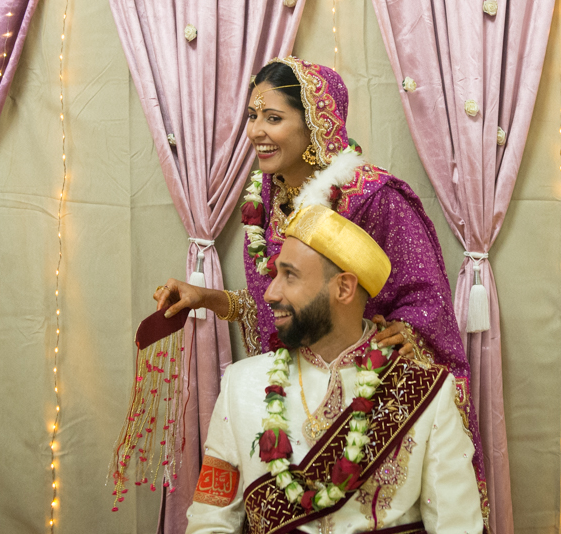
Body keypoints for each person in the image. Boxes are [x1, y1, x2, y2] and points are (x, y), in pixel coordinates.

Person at [155, 56, 489, 528]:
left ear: (316, 122)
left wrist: (407, 334)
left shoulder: (375, 198)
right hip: (289, 382)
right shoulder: (266, 199)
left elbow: (427, 300)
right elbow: (282, 303)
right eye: (252, 116)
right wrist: (208, 299)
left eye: (273, 118)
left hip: (373, 387)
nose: (255, 132)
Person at [184, 204, 484, 534]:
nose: (270, 293)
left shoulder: (425, 390)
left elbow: (458, 527)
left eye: (290, 276)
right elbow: (208, 523)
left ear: (343, 288)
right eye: (274, 275)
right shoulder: (241, 385)